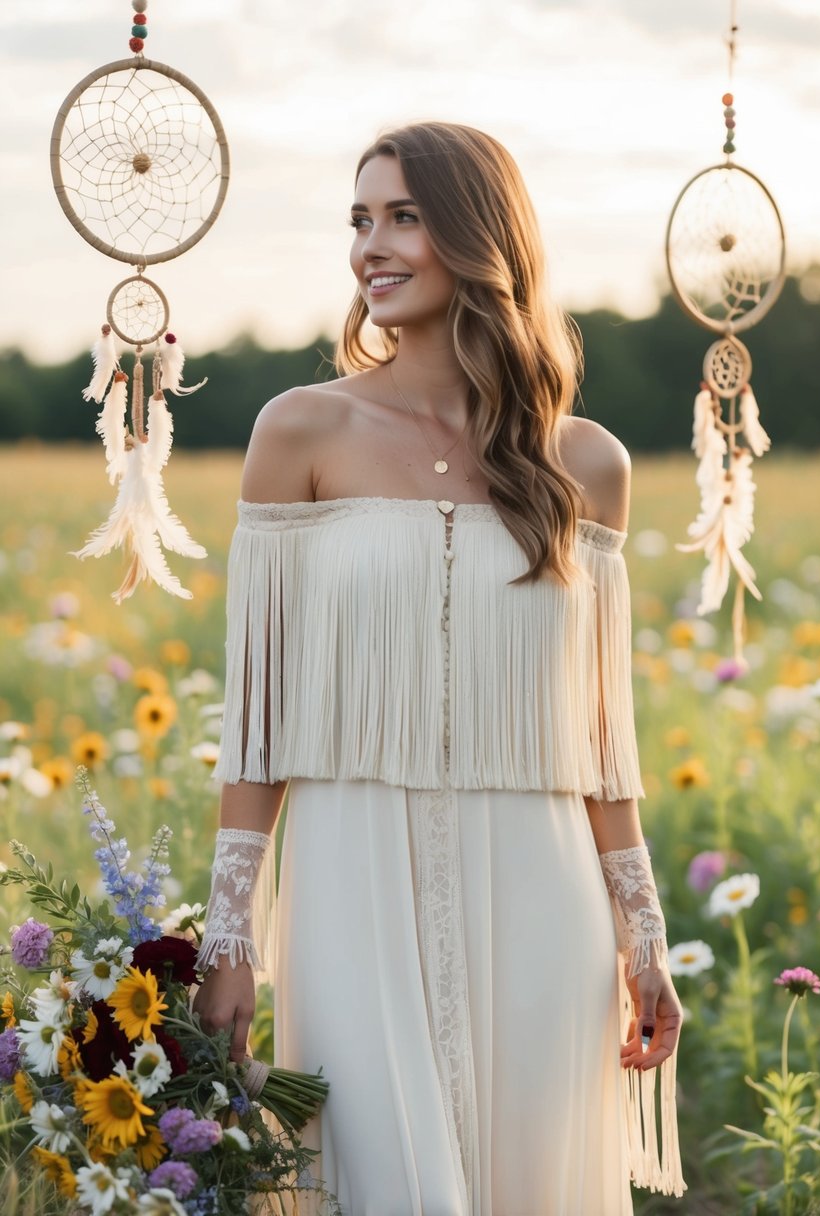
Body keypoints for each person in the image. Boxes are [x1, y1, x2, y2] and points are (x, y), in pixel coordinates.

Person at [193, 121, 686, 1215]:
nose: (371, 244)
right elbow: (258, 710)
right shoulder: (300, 432)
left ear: (479, 235)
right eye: (361, 219)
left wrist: (642, 935)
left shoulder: (583, 463)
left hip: (541, 881)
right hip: (347, 872)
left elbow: (603, 736)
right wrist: (230, 931)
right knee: (382, 1180)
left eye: (403, 216)